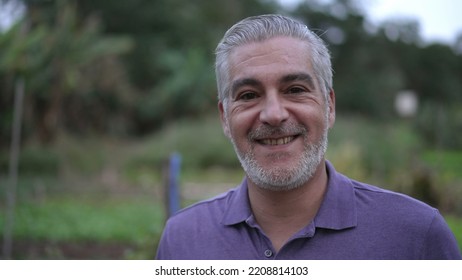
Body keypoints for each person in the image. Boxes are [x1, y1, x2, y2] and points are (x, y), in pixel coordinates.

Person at [156, 14, 461, 260]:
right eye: (249, 95)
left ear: (329, 107)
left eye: (295, 90)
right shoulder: (183, 239)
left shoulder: (416, 237)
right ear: (225, 117)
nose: (274, 114)